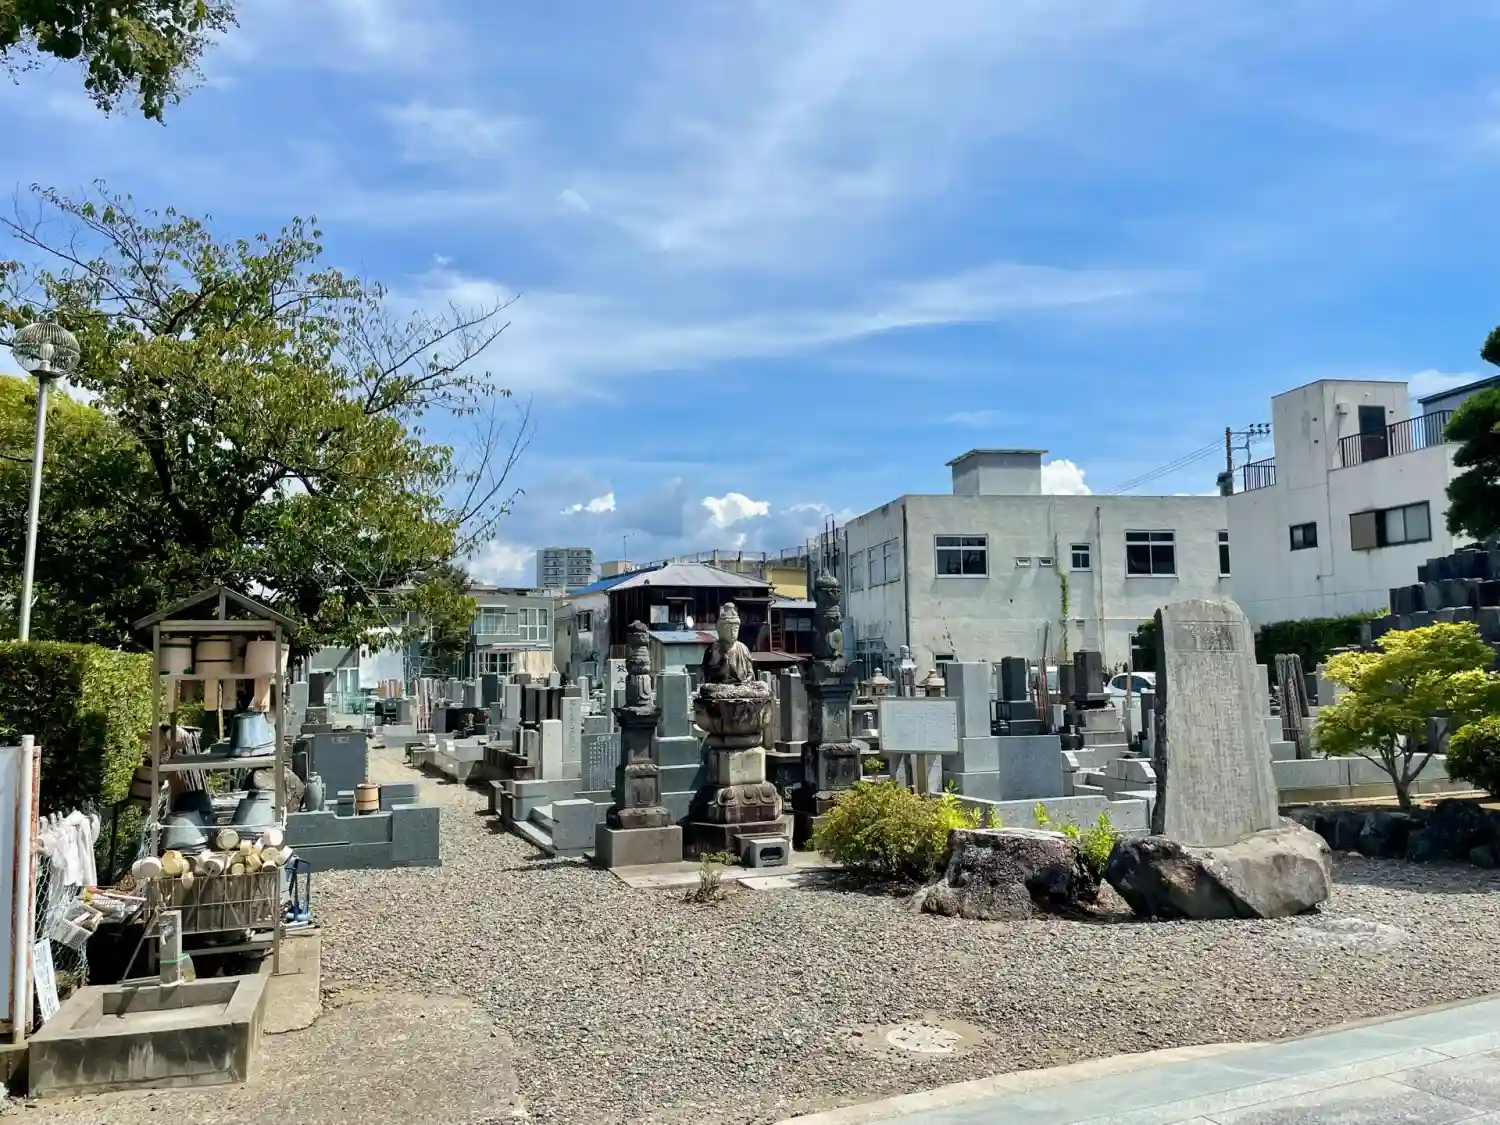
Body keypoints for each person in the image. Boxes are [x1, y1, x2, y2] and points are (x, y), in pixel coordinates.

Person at [701, 602, 754, 685]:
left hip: (741, 686)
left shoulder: (743, 648)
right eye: (728, 629)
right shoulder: (713, 649)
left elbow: (750, 673)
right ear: (721, 630)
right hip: (719, 686)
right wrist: (716, 660)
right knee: (709, 689)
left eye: (735, 629)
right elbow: (707, 675)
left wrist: (747, 680)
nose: (732, 633)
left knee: (763, 686)